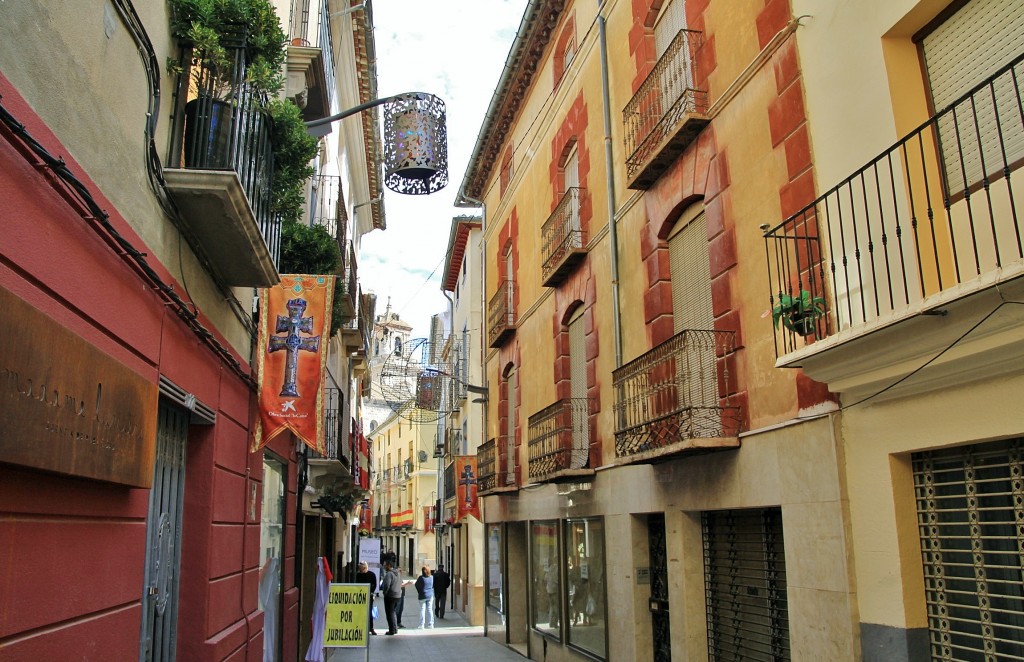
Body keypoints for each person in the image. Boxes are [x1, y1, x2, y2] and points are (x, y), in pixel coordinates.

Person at [354, 562, 378, 635]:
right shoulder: (358, 575)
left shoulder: (371, 574)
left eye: (360, 568)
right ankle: (360, 627)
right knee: (360, 612)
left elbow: (375, 584)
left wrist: (372, 592)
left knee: (369, 612)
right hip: (360, 596)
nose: (359, 570)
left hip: (369, 595)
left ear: (364, 568)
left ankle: (371, 628)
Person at [380, 560, 402, 635]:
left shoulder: (389, 574)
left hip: (390, 596)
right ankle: (395, 628)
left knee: (390, 613)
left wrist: (384, 593)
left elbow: (386, 585)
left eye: (385, 565)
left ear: (389, 565)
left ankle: (392, 630)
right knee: (393, 613)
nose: (384, 566)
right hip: (398, 595)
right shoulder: (398, 573)